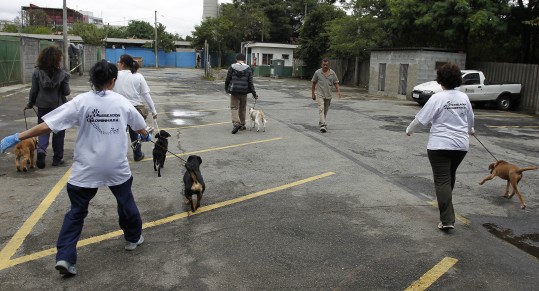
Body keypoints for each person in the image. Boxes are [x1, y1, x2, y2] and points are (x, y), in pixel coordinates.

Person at [0, 60, 152, 276]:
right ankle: (133, 238)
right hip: (115, 167)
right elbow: (140, 127)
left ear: (92, 80)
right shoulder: (122, 102)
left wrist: (17, 136)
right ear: (113, 81)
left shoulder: (81, 102)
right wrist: (147, 134)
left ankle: (65, 257)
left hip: (86, 169)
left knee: (76, 213)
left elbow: (49, 125)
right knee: (126, 203)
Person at [406, 63, 475, 231]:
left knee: (442, 180)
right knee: (449, 177)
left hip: (440, 146)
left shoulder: (438, 98)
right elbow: (470, 118)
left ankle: (447, 220)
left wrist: (410, 130)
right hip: (460, 146)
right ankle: (446, 210)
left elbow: (421, 119)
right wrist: (469, 130)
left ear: (440, 80)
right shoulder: (463, 97)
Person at [25, 46, 71, 168]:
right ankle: (57, 158)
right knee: (59, 132)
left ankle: (41, 152)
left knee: (43, 130)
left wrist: (30, 103)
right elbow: (66, 92)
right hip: (59, 107)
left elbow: (33, 90)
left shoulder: (36, 72)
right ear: (57, 59)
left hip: (43, 106)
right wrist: (66, 80)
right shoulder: (62, 74)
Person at [114, 54, 158, 161]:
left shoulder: (115, 75)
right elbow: (146, 94)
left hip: (119, 109)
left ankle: (118, 156)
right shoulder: (138, 76)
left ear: (123, 64)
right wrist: (153, 110)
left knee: (119, 134)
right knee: (135, 134)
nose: (118, 64)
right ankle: (137, 154)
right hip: (135, 110)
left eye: (119, 62)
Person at [225, 53, 258, 134]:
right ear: (244, 60)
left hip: (234, 90)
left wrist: (227, 88)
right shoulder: (248, 68)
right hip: (244, 91)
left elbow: (228, 79)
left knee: (234, 107)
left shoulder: (232, 67)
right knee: (242, 108)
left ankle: (236, 123)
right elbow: (250, 82)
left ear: (236, 59)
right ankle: (242, 125)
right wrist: (254, 94)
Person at [311, 59, 342, 133]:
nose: (325, 66)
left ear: (329, 65)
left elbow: (336, 82)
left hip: (328, 95)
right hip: (320, 94)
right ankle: (323, 124)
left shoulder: (332, 73)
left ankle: (321, 121)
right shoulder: (317, 72)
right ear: (321, 65)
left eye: (326, 65)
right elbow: (313, 83)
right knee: (321, 109)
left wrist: (339, 91)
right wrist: (313, 93)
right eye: (323, 65)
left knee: (325, 110)